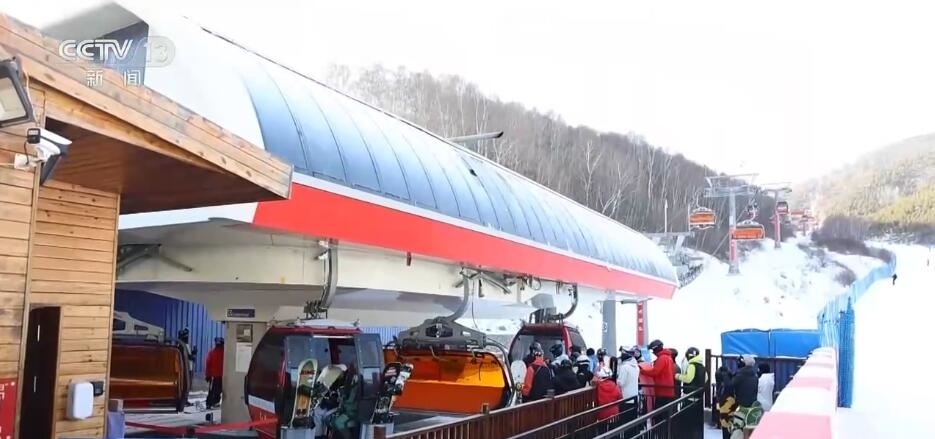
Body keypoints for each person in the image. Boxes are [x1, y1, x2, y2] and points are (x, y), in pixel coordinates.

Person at [675, 347, 707, 439]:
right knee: (696, 423)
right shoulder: (702, 366)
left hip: (690, 398)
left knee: (686, 422)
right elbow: (706, 378)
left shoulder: (692, 365)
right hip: (699, 398)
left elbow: (688, 378)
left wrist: (678, 376)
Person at [728, 355, 763, 439]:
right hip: (752, 407)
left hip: (742, 407)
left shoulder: (741, 375)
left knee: (737, 430)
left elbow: (730, 386)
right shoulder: (754, 375)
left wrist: (726, 377)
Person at [639, 339, 677, 413]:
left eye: (652, 350)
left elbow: (655, 372)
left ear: (656, 349)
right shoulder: (668, 357)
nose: (653, 352)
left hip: (662, 391)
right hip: (668, 390)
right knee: (666, 413)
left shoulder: (662, 358)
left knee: (660, 414)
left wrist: (642, 371)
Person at [330, 363, 361, 439]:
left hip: (352, 412)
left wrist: (344, 401)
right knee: (331, 419)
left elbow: (351, 401)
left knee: (338, 422)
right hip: (347, 409)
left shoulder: (357, 386)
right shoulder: (349, 384)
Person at [616, 347, 640, 437]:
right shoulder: (636, 367)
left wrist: (616, 380)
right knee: (632, 422)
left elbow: (621, 382)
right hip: (634, 398)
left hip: (625, 398)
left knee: (625, 422)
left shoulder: (624, 367)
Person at [204, 337, 224, 408]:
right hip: (221, 375)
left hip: (213, 376)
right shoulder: (225, 353)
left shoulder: (212, 352)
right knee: (218, 390)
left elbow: (208, 364)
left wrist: (207, 375)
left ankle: (210, 403)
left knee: (212, 390)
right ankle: (214, 402)